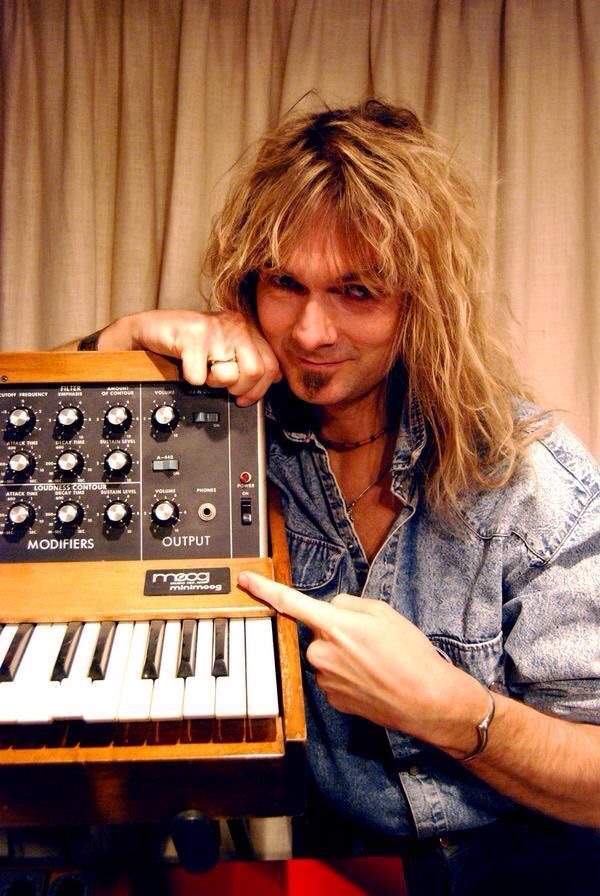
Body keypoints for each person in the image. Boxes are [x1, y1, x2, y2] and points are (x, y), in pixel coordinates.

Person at [68, 101, 600, 894]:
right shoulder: (229, 434)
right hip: (344, 870)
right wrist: (122, 343)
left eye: (358, 291)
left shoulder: (528, 480)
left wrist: (458, 714)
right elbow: (36, 481)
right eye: (286, 283)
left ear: (422, 302)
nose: (312, 332)